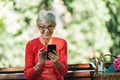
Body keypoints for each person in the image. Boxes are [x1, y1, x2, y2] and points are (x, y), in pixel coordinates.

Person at [24, 10, 68, 80]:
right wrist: (39, 63)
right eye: (42, 27)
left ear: (55, 26)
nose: (46, 30)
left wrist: (56, 62)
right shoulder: (31, 45)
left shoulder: (61, 43)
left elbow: (64, 72)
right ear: (38, 27)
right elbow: (28, 76)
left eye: (50, 26)